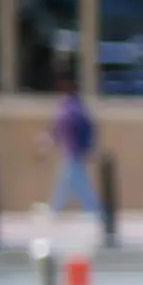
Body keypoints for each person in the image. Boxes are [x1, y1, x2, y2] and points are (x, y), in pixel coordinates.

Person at [43, 81, 104, 226]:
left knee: (72, 182)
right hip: (76, 151)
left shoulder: (68, 110)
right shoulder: (80, 109)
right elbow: (90, 130)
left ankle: (57, 210)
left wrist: (50, 142)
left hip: (71, 151)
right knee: (72, 182)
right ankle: (92, 210)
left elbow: (57, 128)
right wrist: (89, 148)